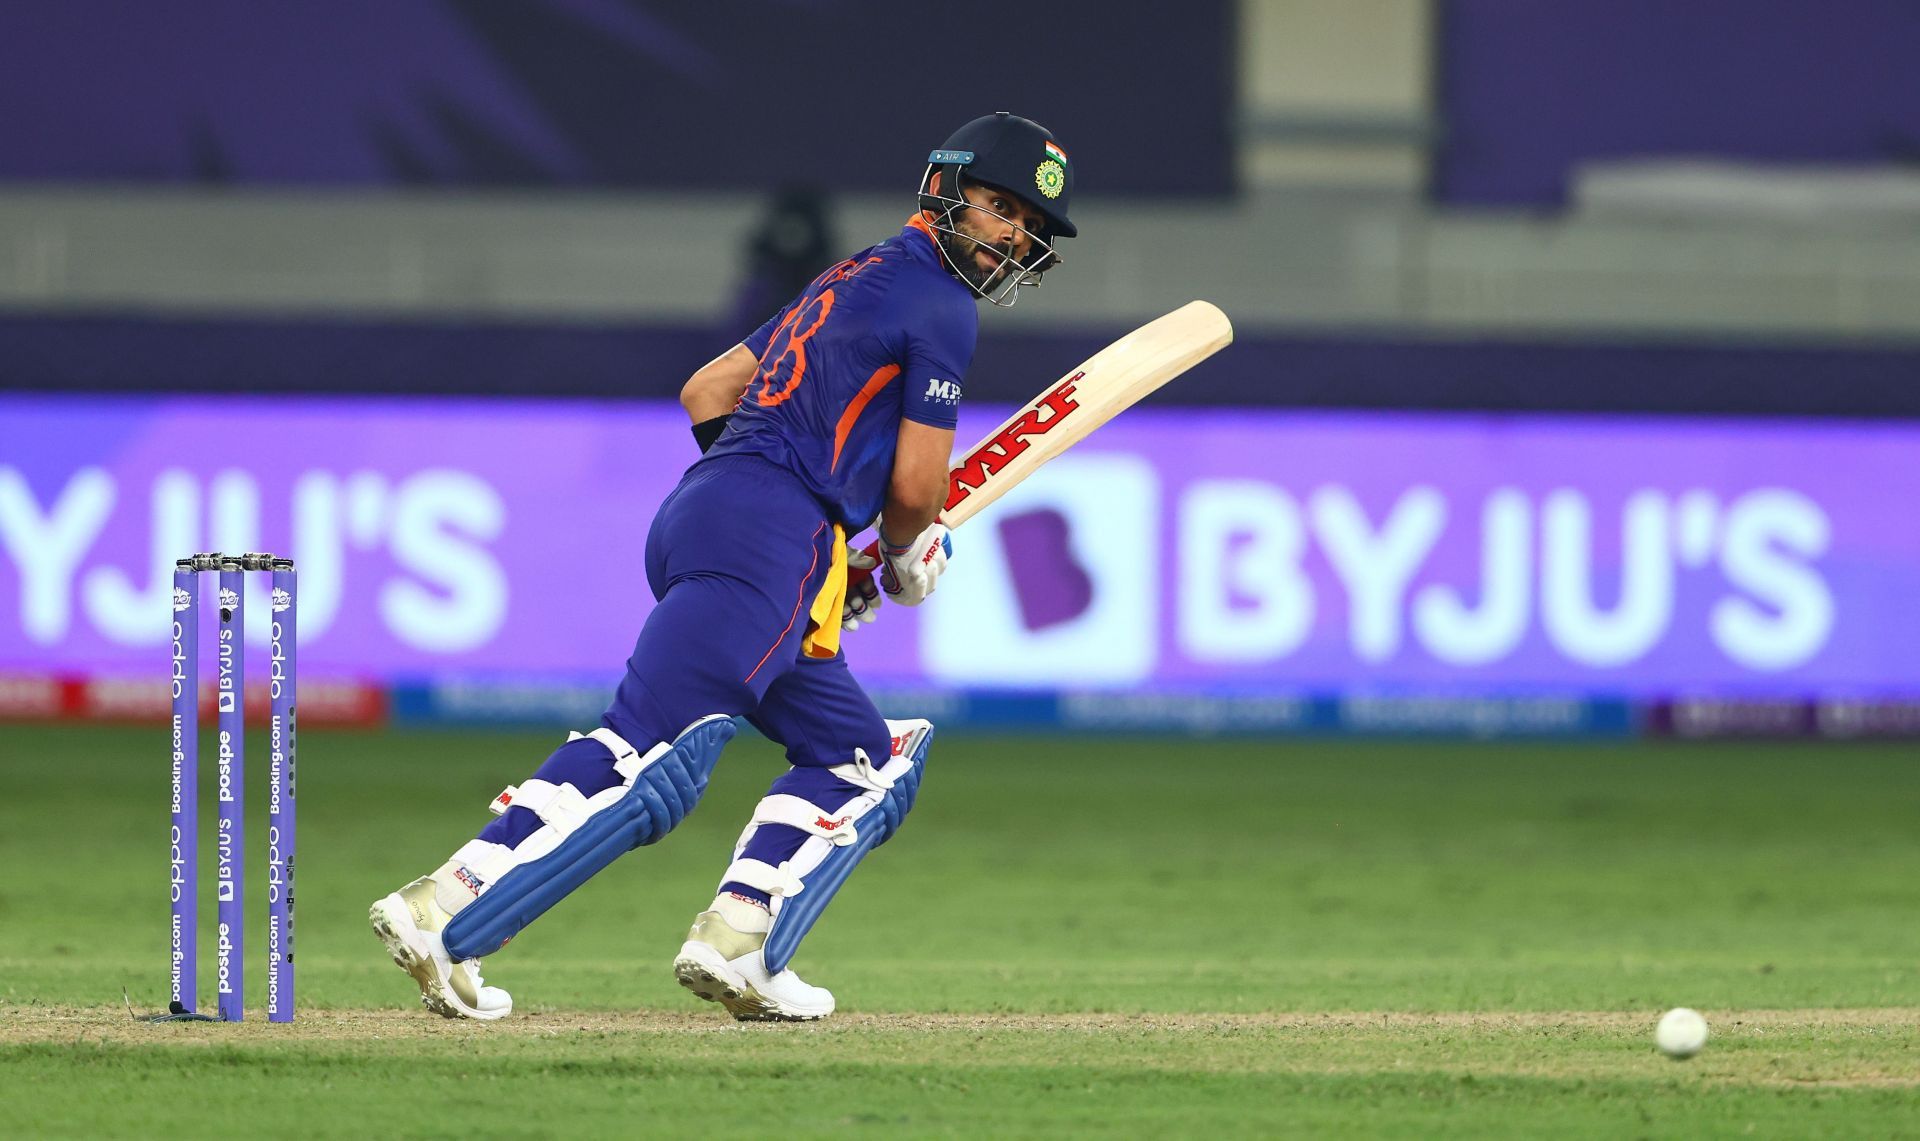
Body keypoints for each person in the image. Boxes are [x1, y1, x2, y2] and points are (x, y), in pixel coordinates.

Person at [369, 112, 1078, 1021]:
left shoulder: (855, 273)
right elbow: (913, 486)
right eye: (999, 206)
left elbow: (708, 391)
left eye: (1027, 225)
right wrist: (899, 554)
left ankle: (740, 940)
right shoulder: (940, 304)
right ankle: (445, 906)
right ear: (945, 188)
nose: (1013, 235)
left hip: (716, 512)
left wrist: (802, 540)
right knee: (651, 750)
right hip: (769, 533)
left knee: (862, 757)